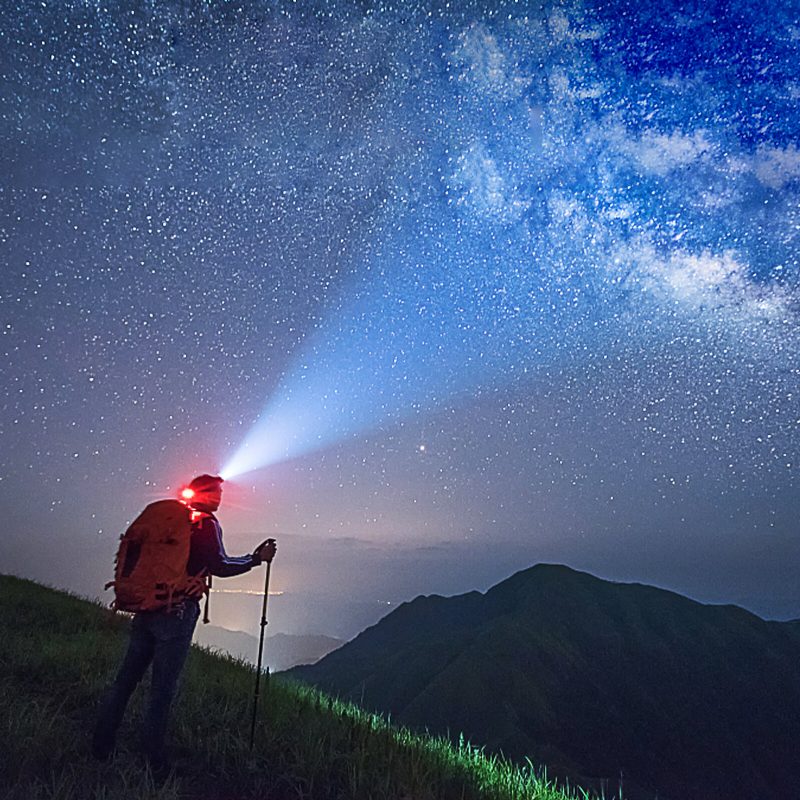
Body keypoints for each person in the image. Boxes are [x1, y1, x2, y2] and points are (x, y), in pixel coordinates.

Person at [92, 474, 276, 772]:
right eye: (216, 492)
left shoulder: (169, 519)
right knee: (162, 689)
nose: (219, 498)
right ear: (207, 494)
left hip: (146, 607)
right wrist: (255, 559)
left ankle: (100, 747)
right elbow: (220, 565)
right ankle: (155, 763)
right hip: (176, 613)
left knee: (124, 681)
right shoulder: (205, 523)